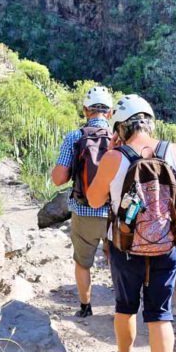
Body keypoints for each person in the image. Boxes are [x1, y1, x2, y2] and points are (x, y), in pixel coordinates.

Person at [86, 95, 176, 352]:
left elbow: (93, 201)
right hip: (167, 249)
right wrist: (175, 225)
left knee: (126, 307)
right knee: (160, 314)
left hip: (125, 247)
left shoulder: (114, 158)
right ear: (150, 123)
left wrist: (113, 156)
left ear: (120, 128)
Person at [51, 86, 114, 318]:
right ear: (110, 113)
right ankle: (122, 310)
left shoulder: (75, 137)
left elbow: (59, 179)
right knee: (117, 260)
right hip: (114, 214)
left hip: (84, 210)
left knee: (83, 262)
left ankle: (86, 307)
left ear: (86, 110)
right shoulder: (119, 140)